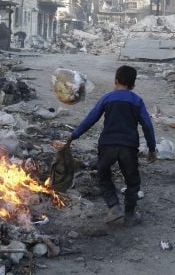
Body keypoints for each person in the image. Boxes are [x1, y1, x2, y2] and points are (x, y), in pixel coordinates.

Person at [67, 65, 157, 226]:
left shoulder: (107, 98)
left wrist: (73, 136)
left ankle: (114, 207)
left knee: (103, 175)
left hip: (107, 145)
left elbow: (91, 118)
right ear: (133, 84)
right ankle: (129, 215)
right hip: (128, 147)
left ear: (115, 80)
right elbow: (147, 125)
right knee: (132, 181)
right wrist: (151, 148)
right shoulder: (137, 101)